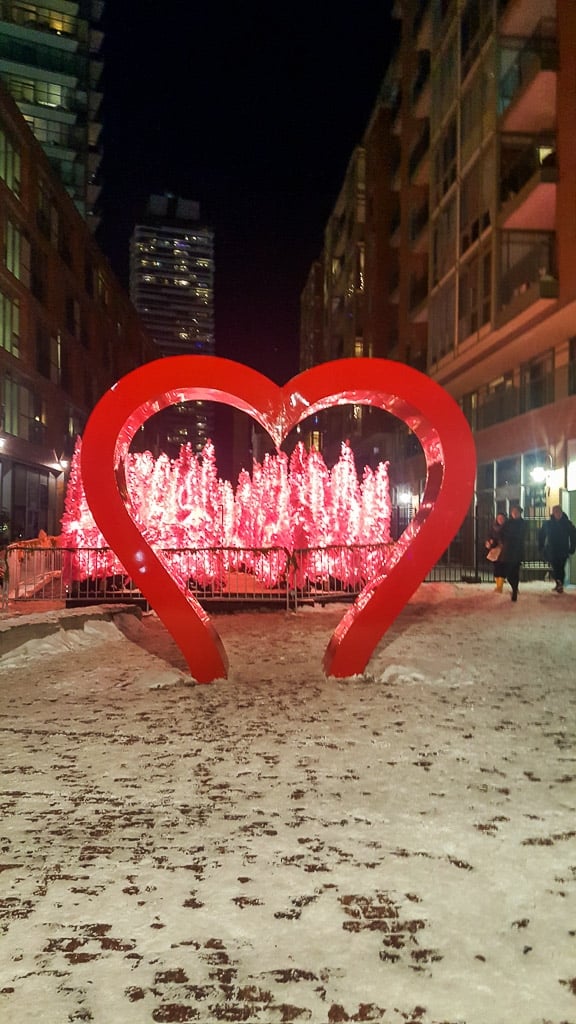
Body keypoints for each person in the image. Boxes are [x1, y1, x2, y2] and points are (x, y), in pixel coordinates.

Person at [538, 505, 576, 593]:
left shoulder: (567, 523)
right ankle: (558, 582)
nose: (557, 514)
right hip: (552, 550)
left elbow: (573, 535)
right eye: (555, 512)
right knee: (555, 567)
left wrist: (572, 547)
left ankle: (560, 583)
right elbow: (541, 535)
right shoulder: (548, 524)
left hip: (563, 549)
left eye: (559, 512)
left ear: (561, 513)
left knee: (561, 567)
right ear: (553, 513)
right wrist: (541, 546)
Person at [499, 505, 527, 602]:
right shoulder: (508, 523)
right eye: (513, 512)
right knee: (508, 572)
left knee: (515, 571)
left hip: (517, 551)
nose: (514, 513)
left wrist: (509, 537)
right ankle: (514, 587)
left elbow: (521, 535)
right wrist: (504, 541)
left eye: (516, 512)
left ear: (520, 513)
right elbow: (500, 533)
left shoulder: (522, 523)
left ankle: (515, 590)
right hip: (508, 551)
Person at [485, 512, 508, 592]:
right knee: (496, 567)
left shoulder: (507, 528)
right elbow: (489, 536)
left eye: (502, 518)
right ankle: (497, 585)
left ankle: (500, 587)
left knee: (502, 567)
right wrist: (489, 541)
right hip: (495, 549)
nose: (500, 520)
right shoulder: (493, 527)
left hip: (504, 550)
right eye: (499, 518)